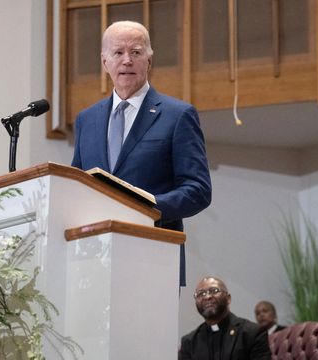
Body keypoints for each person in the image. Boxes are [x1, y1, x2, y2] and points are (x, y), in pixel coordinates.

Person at [71, 21, 212, 285]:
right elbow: (77, 188)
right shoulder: (86, 120)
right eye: (118, 52)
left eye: (135, 52)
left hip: (154, 258)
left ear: (149, 61)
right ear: (104, 62)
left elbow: (198, 190)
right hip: (91, 264)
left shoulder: (178, 115)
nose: (127, 60)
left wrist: (144, 208)